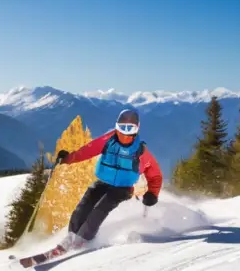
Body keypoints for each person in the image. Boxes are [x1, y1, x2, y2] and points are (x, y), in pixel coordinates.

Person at [53, 108, 162, 251]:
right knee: (83, 206)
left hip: (123, 188)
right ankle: (71, 237)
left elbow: (155, 174)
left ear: (136, 129)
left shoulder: (140, 151)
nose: (125, 132)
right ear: (116, 126)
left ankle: (83, 240)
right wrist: (68, 158)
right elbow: (88, 150)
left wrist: (152, 194)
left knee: (100, 209)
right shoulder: (108, 140)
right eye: (122, 127)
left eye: (130, 128)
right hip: (103, 182)